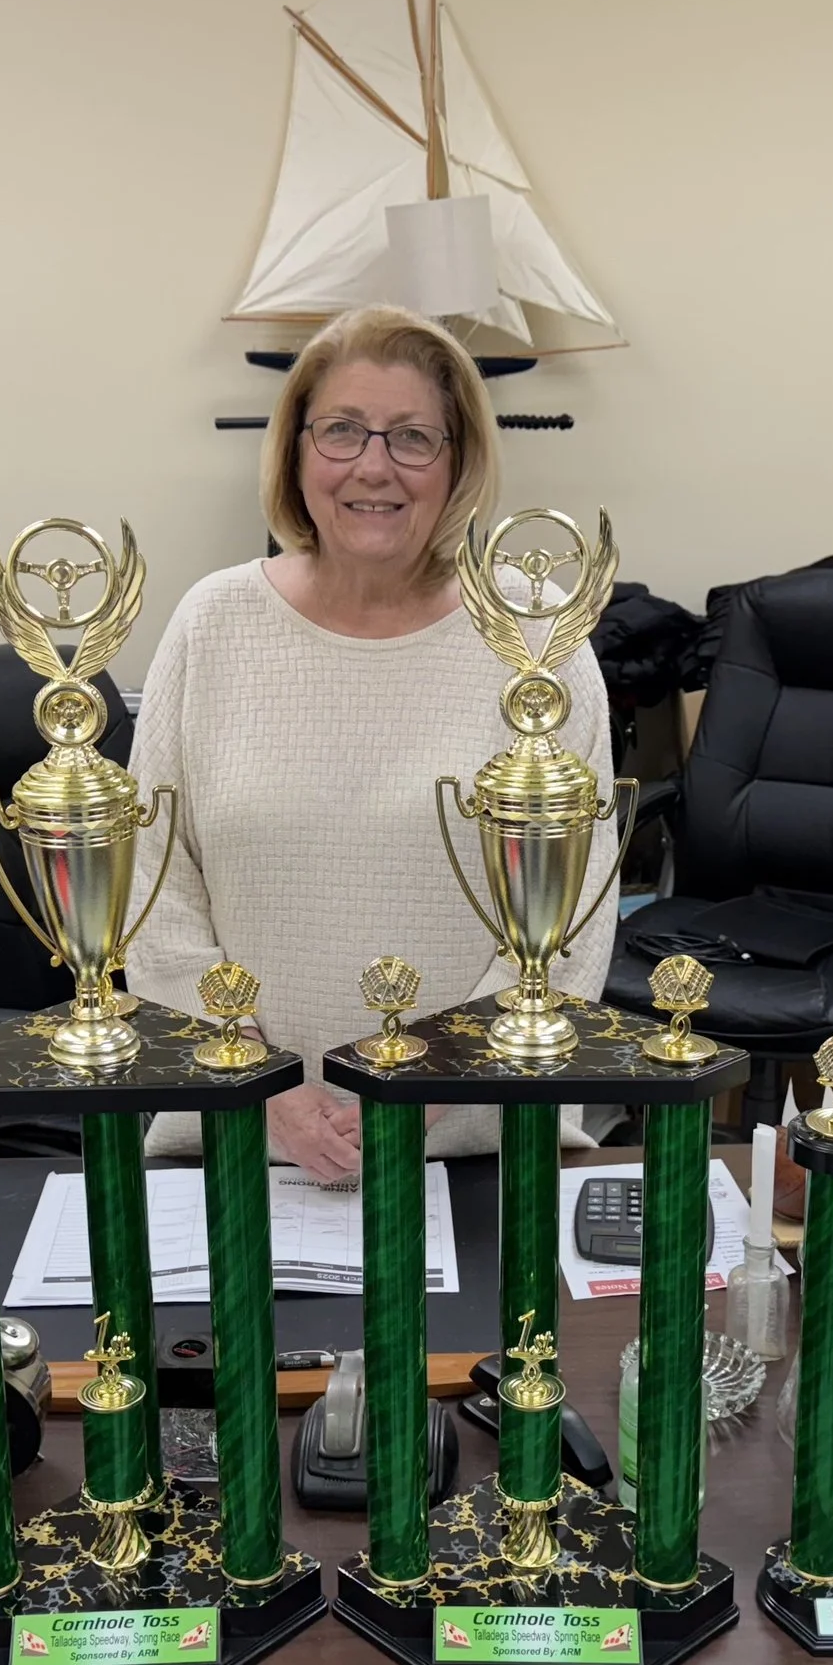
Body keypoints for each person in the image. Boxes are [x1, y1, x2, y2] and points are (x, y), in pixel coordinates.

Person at [125, 304, 618, 1179]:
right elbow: (151, 883)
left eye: (412, 437)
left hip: (477, 1143)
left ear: (457, 460)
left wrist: (427, 1089)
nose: (373, 467)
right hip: (238, 1132)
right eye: (342, 431)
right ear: (296, 450)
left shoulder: (539, 638)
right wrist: (267, 1088)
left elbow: (571, 918)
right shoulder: (213, 623)